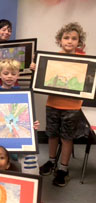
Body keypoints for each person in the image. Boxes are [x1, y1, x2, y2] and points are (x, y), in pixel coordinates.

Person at [37, 22, 87, 187]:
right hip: (53, 103)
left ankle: (63, 169)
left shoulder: (84, 61)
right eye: (66, 38)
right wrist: (36, 69)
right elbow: (44, 79)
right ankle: (52, 161)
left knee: (66, 138)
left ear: (79, 42)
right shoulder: (52, 60)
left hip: (72, 107)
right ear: (60, 40)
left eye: (74, 38)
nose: (70, 41)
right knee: (52, 134)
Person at [0, 59, 40, 175]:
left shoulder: (23, 95)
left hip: (20, 136)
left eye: (13, 74)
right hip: (0, 136)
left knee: (30, 157)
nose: (9, 77)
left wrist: (33, 124)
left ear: (18, 75)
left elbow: (26, 116)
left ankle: (31, 184)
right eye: (6, 73)